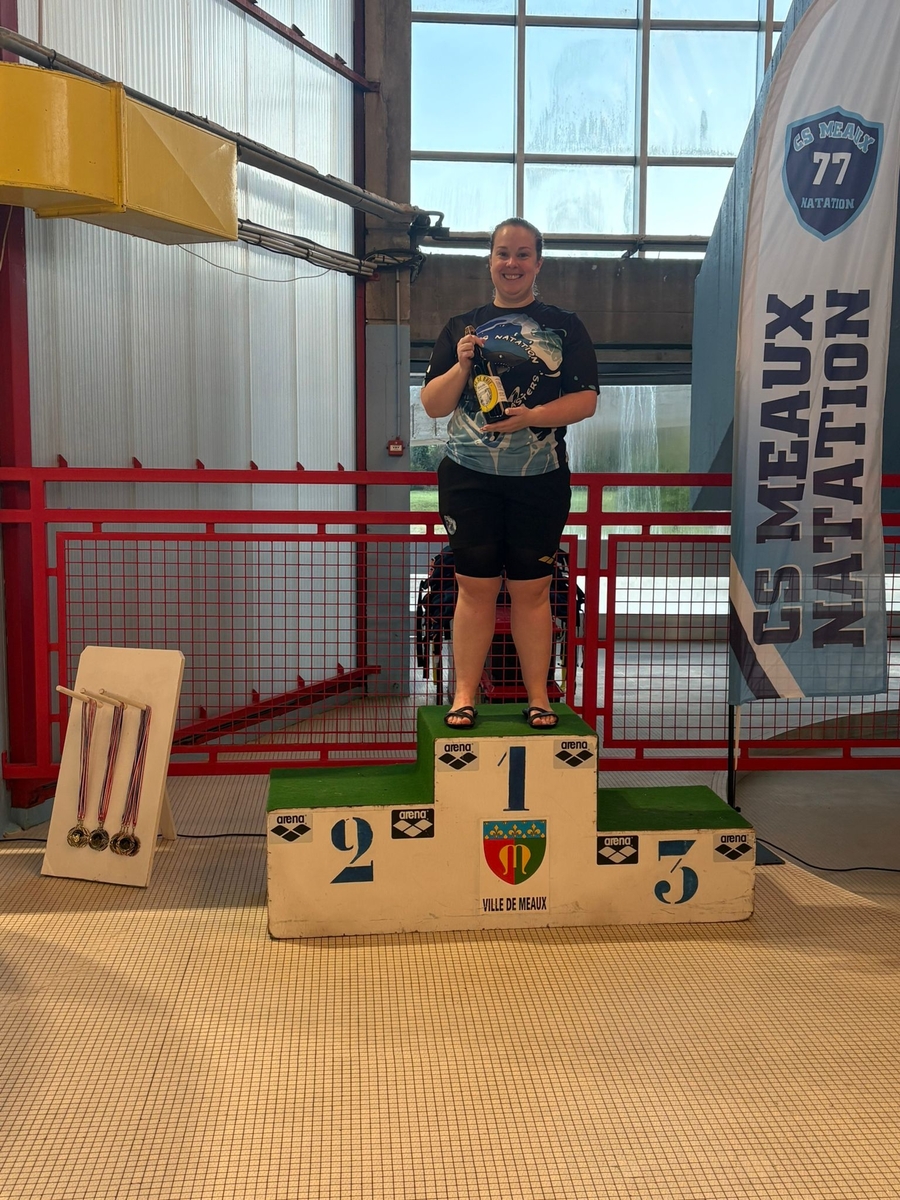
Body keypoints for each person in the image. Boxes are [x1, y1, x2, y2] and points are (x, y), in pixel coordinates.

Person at [420, 217, 598, 730]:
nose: (512, 263)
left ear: (538, 264)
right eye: (503, 253)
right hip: (469, 477)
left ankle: (539, 698)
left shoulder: (565, 326)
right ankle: (463, 696)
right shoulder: (462, 327)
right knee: (473, 588)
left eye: (523, 254)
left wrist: (531, 417)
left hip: (539, 479)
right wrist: (461, 366)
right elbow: (433, 405)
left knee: (533, 590)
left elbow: (585, 401)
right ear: (490, 261)